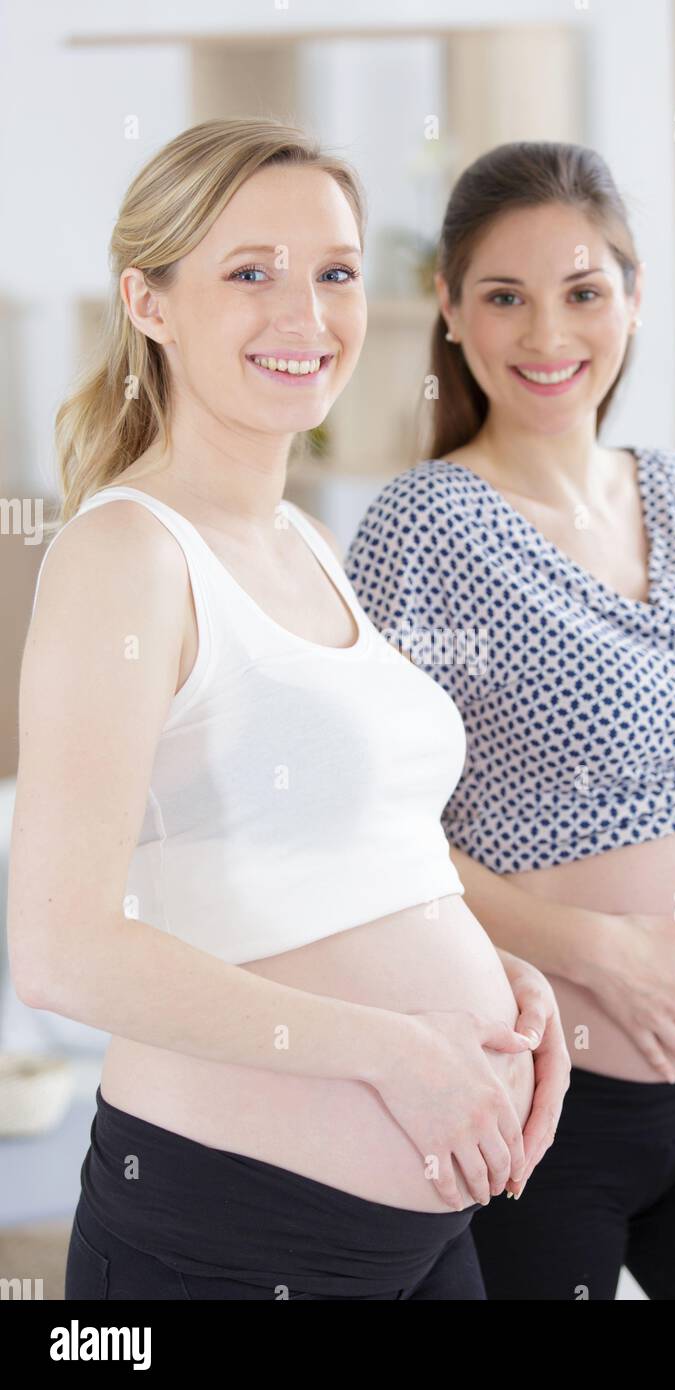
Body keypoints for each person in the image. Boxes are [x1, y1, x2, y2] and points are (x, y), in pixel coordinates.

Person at [7, 118, 572, 1302]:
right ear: (149, 303)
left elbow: (355, 851)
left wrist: (501, 979)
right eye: (248, 272)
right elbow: (58, 953)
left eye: (334, 272)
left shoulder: (306, 541)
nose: (305, 314)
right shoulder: (126, 556)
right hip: (228, 1234)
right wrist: (399, 1050)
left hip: (418, 1229)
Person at [343, 140, 675, 1300]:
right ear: (448, 309)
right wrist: (600, 953)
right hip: (537, 1106)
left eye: (582, 292)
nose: (546, 336)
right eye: (504, 297)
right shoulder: (422, 527)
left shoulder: (674, 488)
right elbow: (372, 838)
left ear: (631, 297)